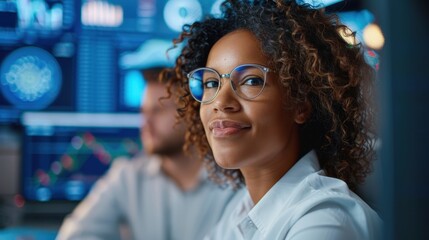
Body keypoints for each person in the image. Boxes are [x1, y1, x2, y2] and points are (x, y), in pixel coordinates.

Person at [167, 0, 382, 239]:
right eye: (211, 83)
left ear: (300, 105)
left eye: (251, 81)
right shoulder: (241, 211)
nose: (220, 101)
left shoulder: (324, 221)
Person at [56, 65, 237, 239]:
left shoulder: (235, 179)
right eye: (144, 112)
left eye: (158, 111)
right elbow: (74, 235)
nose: (146, 123)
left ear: (193, 114)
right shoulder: (127, 176)